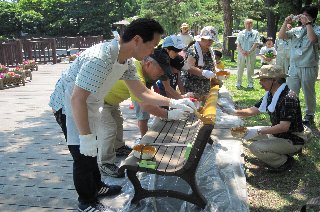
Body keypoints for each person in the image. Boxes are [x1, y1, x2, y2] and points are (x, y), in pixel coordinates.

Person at [48, 18, 195, 212]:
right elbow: (77, 99)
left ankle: (97, 186)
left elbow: (142, 92)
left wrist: (174, 102)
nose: (152, 51)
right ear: (136, 40)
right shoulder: (101, 57)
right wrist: (84, 137)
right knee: (83, 155)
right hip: (69, 104)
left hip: (90, 102)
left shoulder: (126, 61)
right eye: (151, 45)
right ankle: (85, 202)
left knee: (93, 149)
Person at [98, 49, 189, 178]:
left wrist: (175, 103)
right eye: (161, 70)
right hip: (98, 100)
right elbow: (145, 104)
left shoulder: (144, 72)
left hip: (111, 100)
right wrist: (169, 114)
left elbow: (150, 95)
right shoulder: (135, 71)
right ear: (148, 64)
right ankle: (105, 163)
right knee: (108, 130)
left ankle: (118, 147)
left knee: (118, 123)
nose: (162, 74)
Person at [230, 65, 310, 172]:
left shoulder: (288, 98)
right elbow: (252, 111)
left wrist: (259, 131)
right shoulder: (270, 94)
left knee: (255, 147)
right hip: (279, 134)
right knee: (242, 132)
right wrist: (232, 112)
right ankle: (282, 150)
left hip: (292, 138)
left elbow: (283, 127)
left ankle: (284, 161)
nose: (260, 82)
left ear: (275, 80)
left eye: (263, 80)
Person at [133, 35, 189, 137]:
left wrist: (181, 99)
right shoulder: (155, 59)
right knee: (143, 114)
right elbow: (146, 102)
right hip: (138, 86)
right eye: (175, 51)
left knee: (148, 110)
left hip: (146, 87)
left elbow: (166, 86)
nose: (177, 54)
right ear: (167, 49)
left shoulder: (165, 61)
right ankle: (144, 140)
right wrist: (168, 113)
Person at [278, 5, 320, 125]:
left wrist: (308, 24)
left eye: (306, 15)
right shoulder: (296, 30)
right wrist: (285, 22)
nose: (303, 18)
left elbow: (313, 40)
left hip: (308, 65)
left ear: (313, 17)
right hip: (294, 66)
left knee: (308, 92)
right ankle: (291, 113)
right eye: (302, 15)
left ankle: (309, 114)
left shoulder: (316, 29)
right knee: (291, 91)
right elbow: (281, 36)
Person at [183, 26, 218, 98]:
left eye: (211, 40)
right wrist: (203, 72)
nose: (210, 42)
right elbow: (188, 68)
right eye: (207, 40)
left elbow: (212, 64)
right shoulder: (193, 50)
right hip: (192, 87)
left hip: (205, 87)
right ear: (201, 38)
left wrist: (217, 72)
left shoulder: (210, 51)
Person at [236, 18, 260, 89]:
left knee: (250, 69)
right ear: (244, 24)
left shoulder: (255, 33)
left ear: (252, 24)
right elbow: (238, 43)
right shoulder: (241, 33)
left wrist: (250, 51)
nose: (248, 25)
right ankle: (238, 83)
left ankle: (250, 83)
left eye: (250, 23)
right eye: (247, 23)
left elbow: (256, 43)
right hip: (241, 53)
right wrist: (242, 51)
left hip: (251, 53)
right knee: (240, 68)